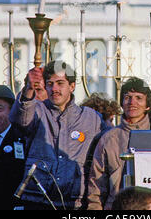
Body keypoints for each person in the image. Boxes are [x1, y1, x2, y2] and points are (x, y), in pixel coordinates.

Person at [9, 60, 107, 210]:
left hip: (75, 202)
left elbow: (108, 147)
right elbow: (19, 119)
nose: (54, 89)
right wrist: (29, 88)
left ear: (72, 86)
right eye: (49, 83)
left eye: (60, 83)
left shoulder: (91, 118)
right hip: (38, 200)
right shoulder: (36, 110)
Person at [87, 77, 151, 210]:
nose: (132, 102)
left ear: (147, 105)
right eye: (127, 97)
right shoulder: (109, 138)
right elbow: (96, 184)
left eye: (138, 98)